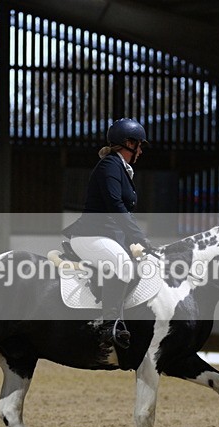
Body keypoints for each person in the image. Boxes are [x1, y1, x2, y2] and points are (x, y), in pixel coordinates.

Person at [62, 118, 153, 353]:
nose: (141, 151)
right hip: (90, 236)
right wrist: (137, 236)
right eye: (139, 145)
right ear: (128, 144)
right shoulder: (110, 165)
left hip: (107, 237)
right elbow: (115, 205)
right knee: (123, 265)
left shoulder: (121, 169)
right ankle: (109, 327)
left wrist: (134, 239)